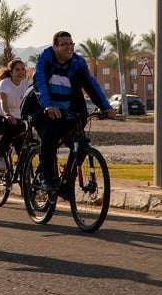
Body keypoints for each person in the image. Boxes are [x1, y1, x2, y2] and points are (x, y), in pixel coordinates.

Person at [33, 31, 115, 191]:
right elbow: (40, 83)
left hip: (68, 109)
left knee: (81, 143)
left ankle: (67, 181)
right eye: (64, 44)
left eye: (71, 44)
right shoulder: (46, 59)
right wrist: (48, 105)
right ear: (54, 47)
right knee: (50, 135)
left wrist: (106, 107)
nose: (69, 47)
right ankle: (47, 177)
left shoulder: (78, 62)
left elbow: (91, 85)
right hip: (42, 107)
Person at [0, 59, 30, 170]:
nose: (21, 72)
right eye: (17, 69)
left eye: (22, 69)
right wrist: (7, 114)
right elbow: (3, 100)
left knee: (22, 143)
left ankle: (24, 175)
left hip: (16, 118)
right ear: (11, 72)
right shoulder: (5, 83)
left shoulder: (26, 84)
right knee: (10, 128)